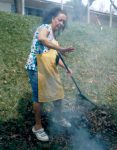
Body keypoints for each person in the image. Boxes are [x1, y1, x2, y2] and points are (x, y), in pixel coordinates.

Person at [25, 7, 75, 142]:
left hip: (48, 68)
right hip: (36, 68)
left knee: (58, 94)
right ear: (53, 18)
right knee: (39, 98)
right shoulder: (44, 28)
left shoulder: (54, 35)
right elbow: (42, 39)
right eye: (60, 20)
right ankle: (37, 127)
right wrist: (61, 48)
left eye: (64, 22)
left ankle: (58, 117)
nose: (61, 23)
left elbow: (54, 57)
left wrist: (67, 67)